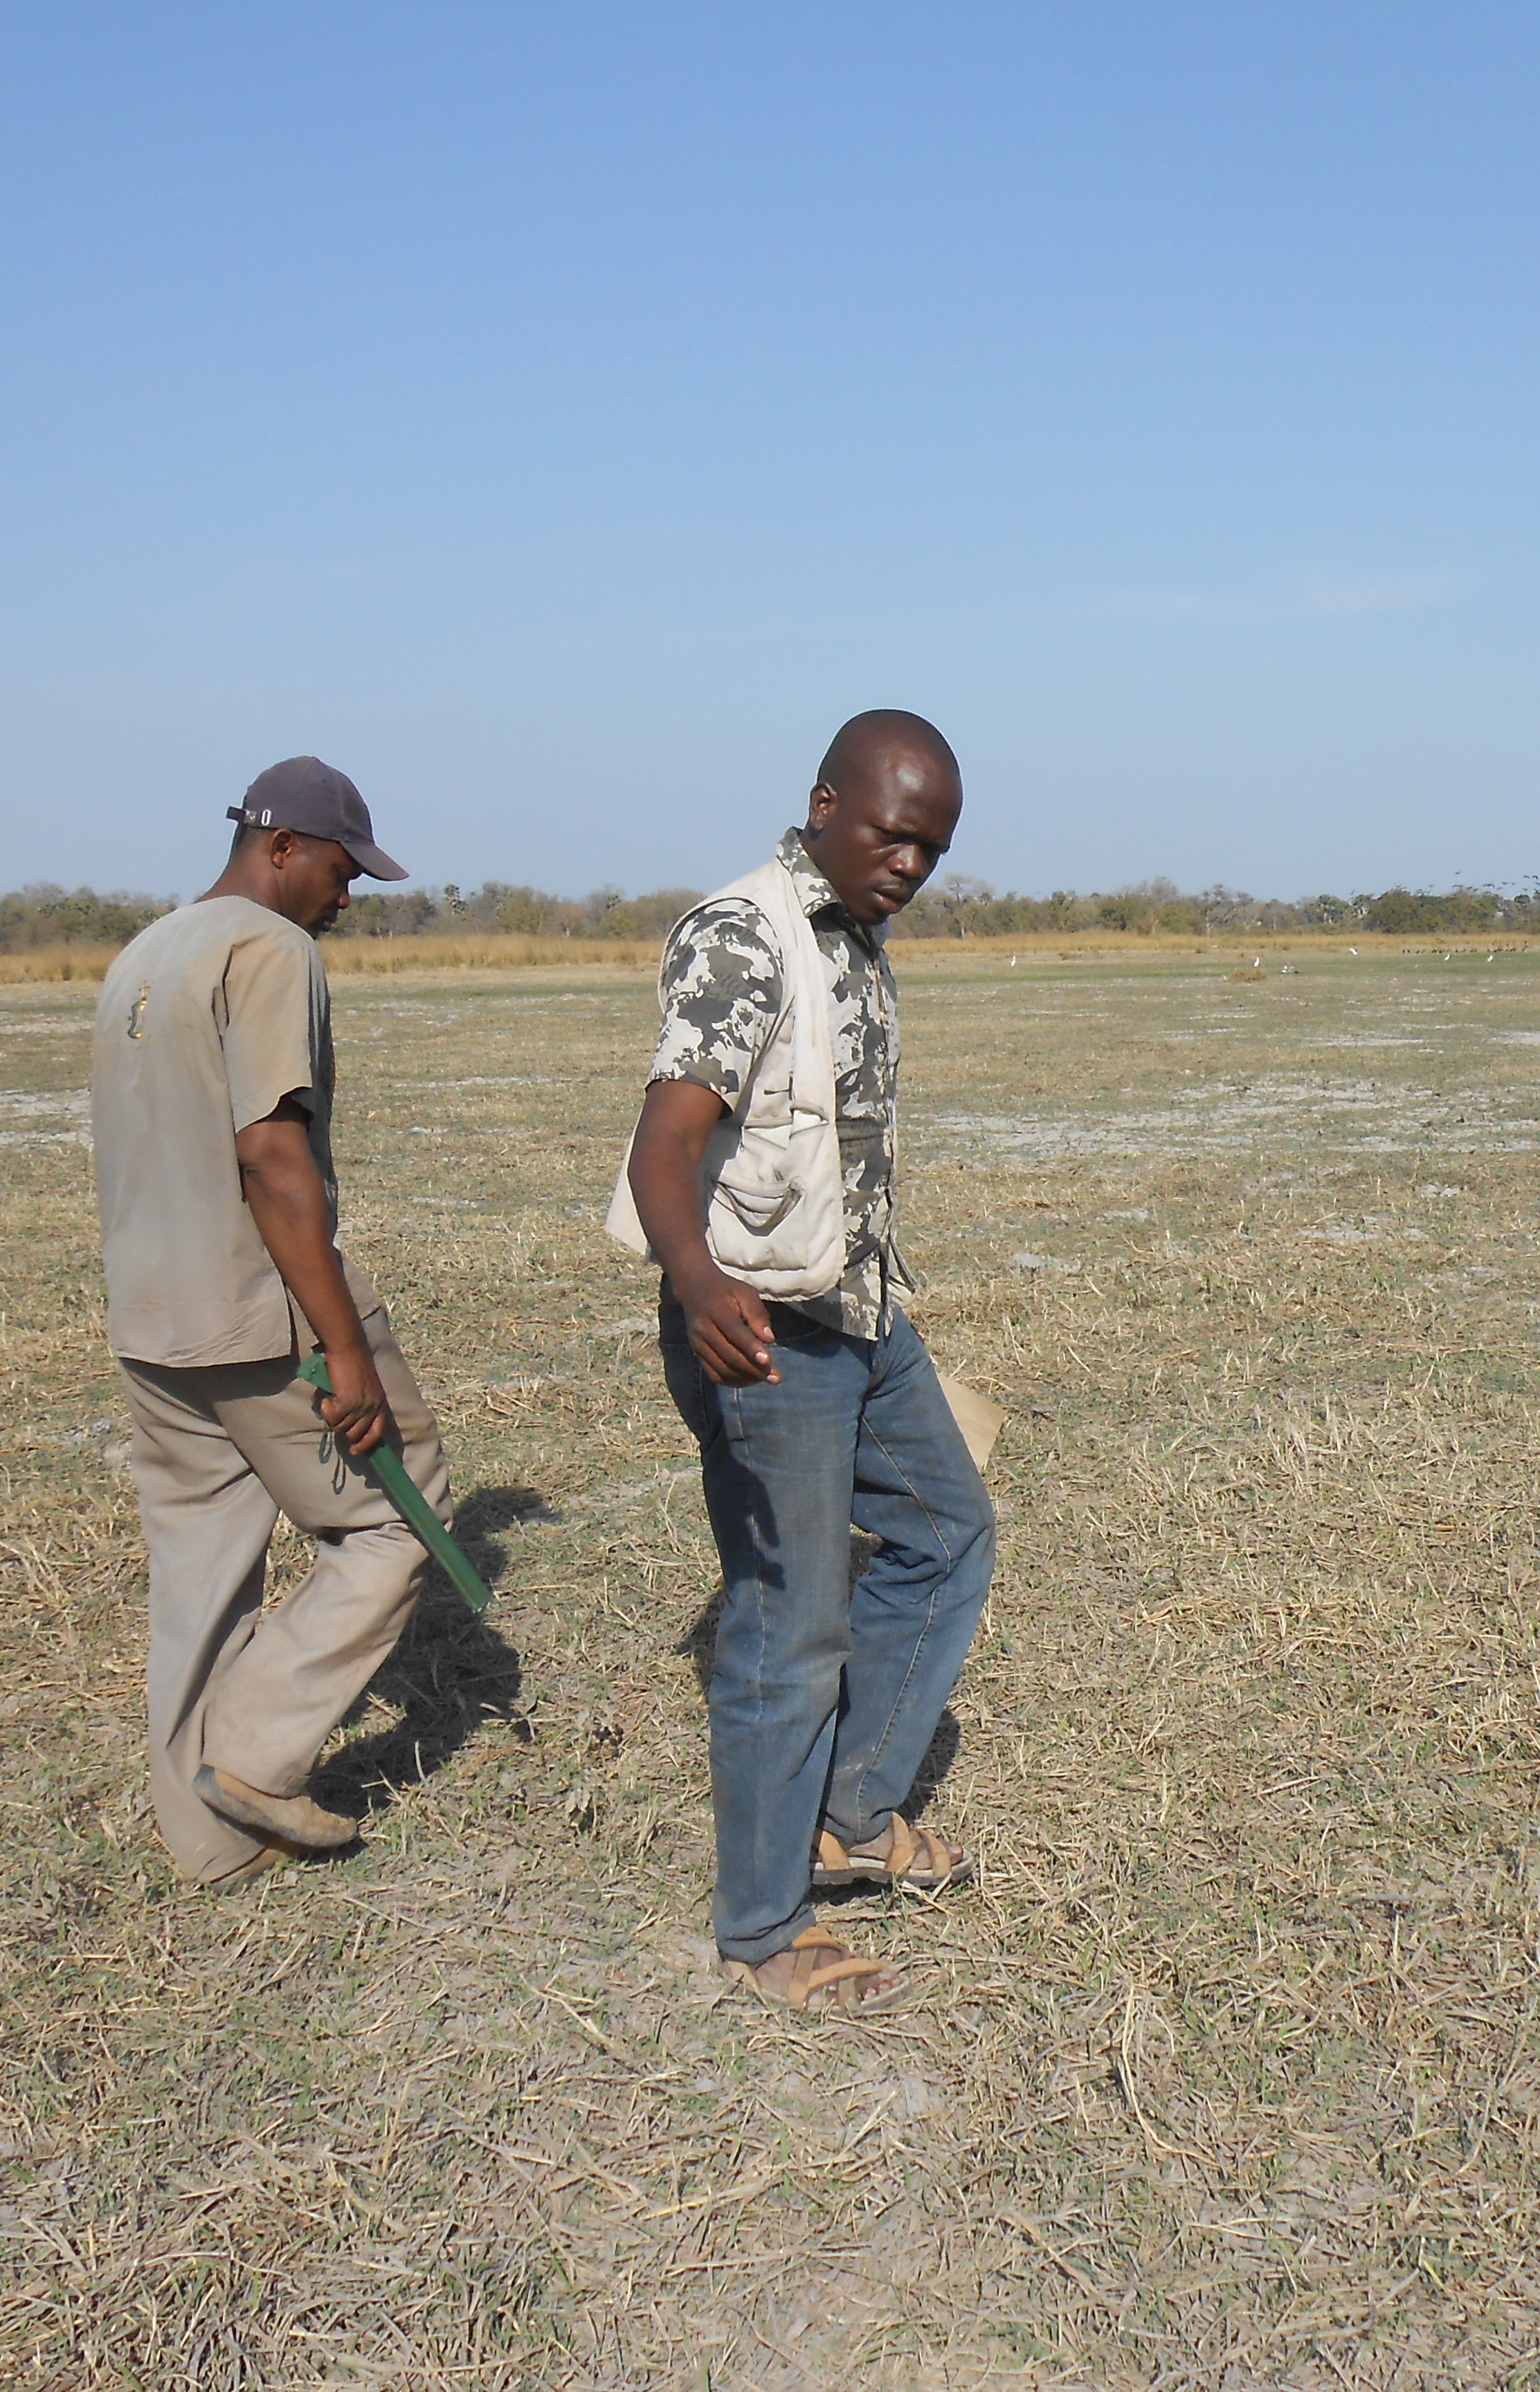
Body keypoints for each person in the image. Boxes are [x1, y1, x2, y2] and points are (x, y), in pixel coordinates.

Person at [612, 710, 996, 2013]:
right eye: (892, 833)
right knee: (789, 1619)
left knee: (947, 1533)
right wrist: (698, 1280)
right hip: (760, 1324)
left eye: (931, 849)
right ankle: (764, 1929)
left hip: (860, 1314)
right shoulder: (745, 935)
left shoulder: (855, 933)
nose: (908, 865)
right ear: (825, 802)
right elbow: (662, 1144)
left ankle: (848, 1809)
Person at [91, 756, 453, 1890]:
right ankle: (250, 1759)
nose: (347, 899)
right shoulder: (268, 950)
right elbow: (270, 1152)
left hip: (150, 1318)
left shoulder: (144, 953)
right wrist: (343, 1347)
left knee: (200, 1568)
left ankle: (208, 1846)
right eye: (343, 871)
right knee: (407, 1513)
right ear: (283, 846)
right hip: (257, 1318)